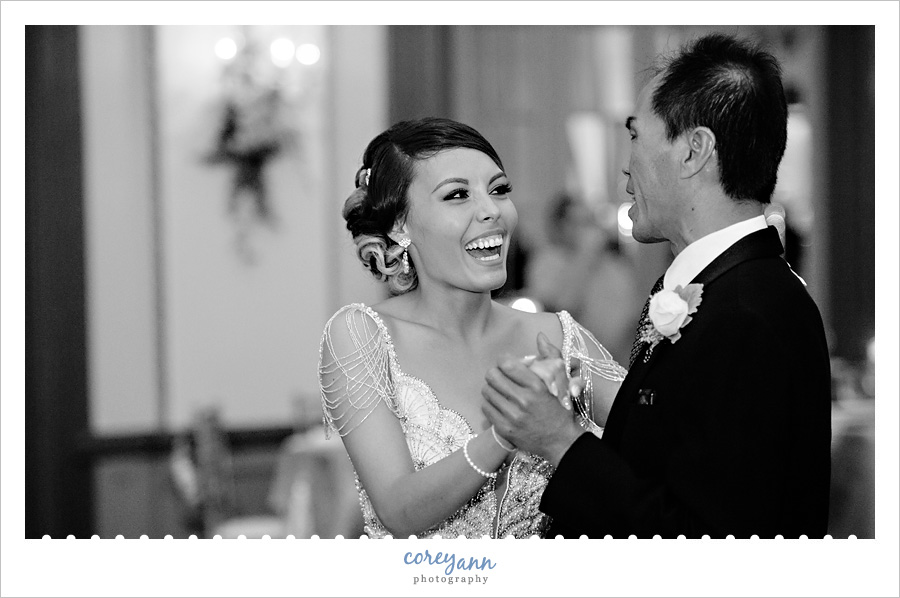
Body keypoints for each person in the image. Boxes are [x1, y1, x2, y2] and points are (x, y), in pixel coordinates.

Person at [482, 33, 832, 539]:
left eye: (635, 136)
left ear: (694, 152)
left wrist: (561, 441)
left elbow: (706, 542)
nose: (625, 164)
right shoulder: (723, 291)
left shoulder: (748, 314)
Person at [317, 117, 626, 538]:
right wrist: (505, 432)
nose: (491, 211)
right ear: (398, 226)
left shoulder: (558, 335)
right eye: (458, 195)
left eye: (499, 190)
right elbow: (400, 510)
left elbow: (661, 432)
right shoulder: (362, 336)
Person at [524, 192, 641, 364]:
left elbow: (632, 313)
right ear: (559, 226)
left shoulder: (612, 263)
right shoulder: (546, 262)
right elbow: (562, 309)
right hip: (573, 362)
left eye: (588, 221)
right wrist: (585, 258)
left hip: (618, 357)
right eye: (575, 222)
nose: (585, 229)